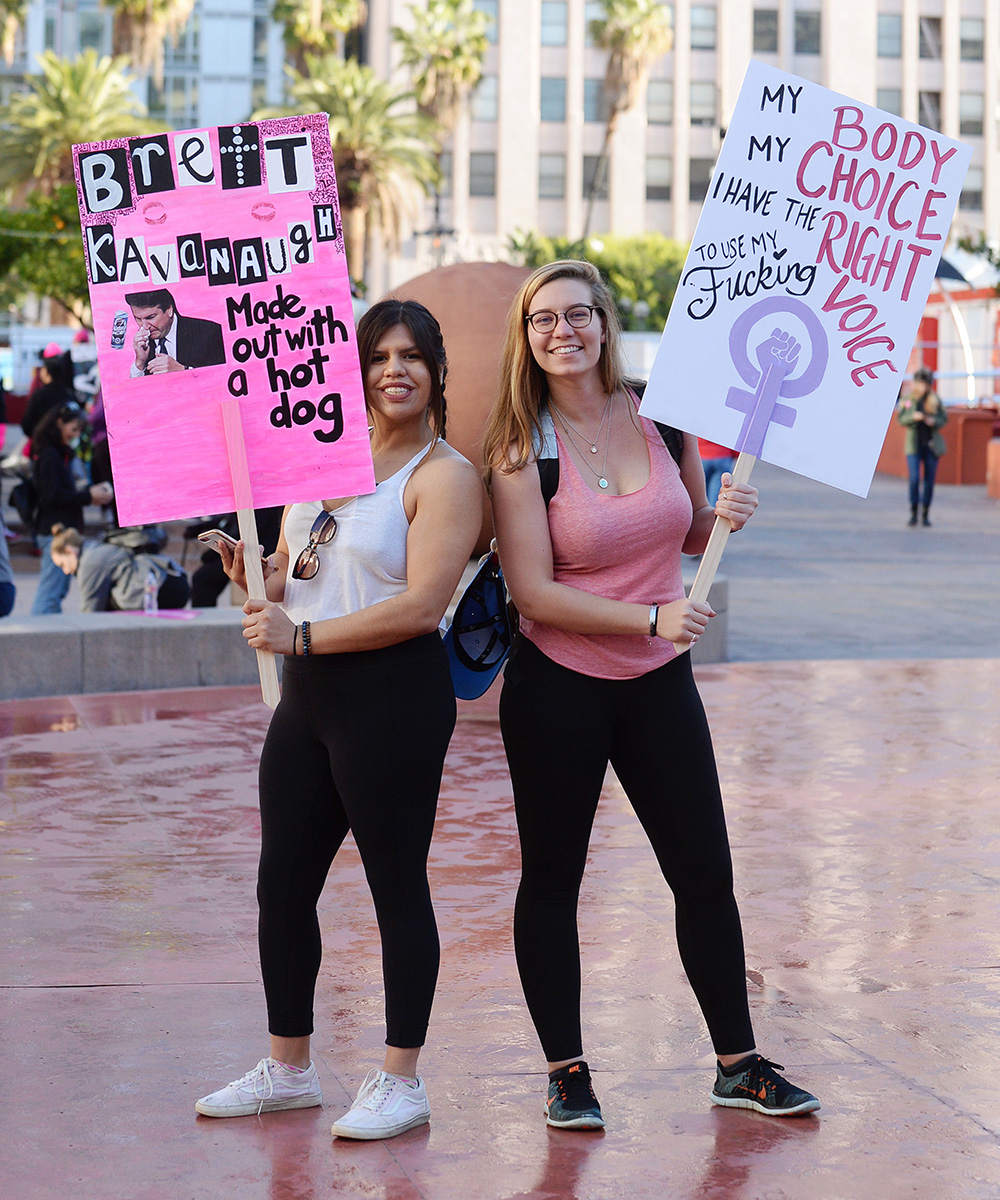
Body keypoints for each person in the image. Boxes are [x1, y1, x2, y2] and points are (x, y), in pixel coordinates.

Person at [482, 260, 820, 1130]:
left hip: (658, 683)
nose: (563, 332)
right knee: (553, 880)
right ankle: (566, 1072)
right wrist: (651, 618)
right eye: (543, 320)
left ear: (604, 321)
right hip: (560, 684)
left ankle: (738, 1065)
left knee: (705, 873)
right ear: (527, 337)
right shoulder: (524, 445)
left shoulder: (662, 416)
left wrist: (726, 513)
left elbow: (687, 525)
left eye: (578, 315)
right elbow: (532, 592)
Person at [194, 299, 481, 1139]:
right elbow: (295, 571)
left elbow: (423, 604)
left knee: (396, 887)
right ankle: (288, 1067)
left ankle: (402, 1078)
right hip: (308, 697)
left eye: (411, 356)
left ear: (435, 372)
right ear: (356, 371)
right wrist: (257, 573)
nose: (394, 369)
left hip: (392, 695)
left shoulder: (443, 476)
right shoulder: (321, 458)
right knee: (282, 882)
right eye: (379, 356)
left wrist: (301, 631)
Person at [29, 402, 114, 614]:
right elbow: (52, 496)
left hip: (62, 530)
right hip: (55, 531)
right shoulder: (50, 455)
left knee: (56, 591)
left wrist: (88, 495)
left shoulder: (58, 453)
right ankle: (40, 634)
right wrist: (88, 496)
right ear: (59, 424)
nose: (75, 435)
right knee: (51, 591)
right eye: (73, 429)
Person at [48, 525, 190, 611]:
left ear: (70, 551)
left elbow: (90, 611)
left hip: (162, 588)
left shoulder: (89, 563)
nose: (65, 570)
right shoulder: (95, 548)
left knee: (106, 599)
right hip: (172, 579)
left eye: (63, 564)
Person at [125, 288, 226, 375]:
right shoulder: (143, 344)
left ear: (169, 310)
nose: (144, 326)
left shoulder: (209, 333)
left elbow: (221, 378)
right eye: (138, 319)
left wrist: (183, 370)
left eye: (151, 317)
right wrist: (140, 363)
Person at [896, 366, 947, 527]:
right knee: (914, 478)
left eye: (926, 384)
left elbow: (943, 418)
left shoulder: (934, 400)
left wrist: (934, 421)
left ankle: (925, 513)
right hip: (914, 444)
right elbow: (901, 419)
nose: (923, 387)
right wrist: (914, 416)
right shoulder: (909, 399)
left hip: (931, 444)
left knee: (929, 480)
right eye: (920, 383)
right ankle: (913, 511)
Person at [21, 344, 76, 439]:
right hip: (62, 444)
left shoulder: (38, 394)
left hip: (41, 442)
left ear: (46, 372)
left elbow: (27, 425)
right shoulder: (69, 394)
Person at [698, 436, 737, 507]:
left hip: (702, 455)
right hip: (722, 456)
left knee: (699, 494)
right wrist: (736, 454)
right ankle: (714, 515)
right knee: (717, 495)